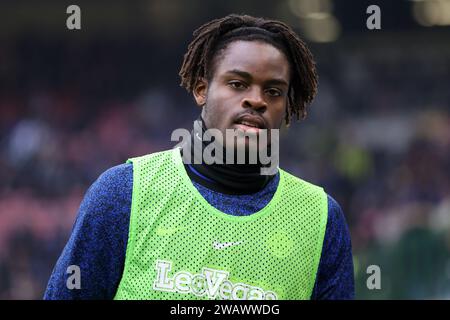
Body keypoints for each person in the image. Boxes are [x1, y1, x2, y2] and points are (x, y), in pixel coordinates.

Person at [44, 14, 354, 300]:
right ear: (201, 90)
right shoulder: (122, 193)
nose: (256, 100)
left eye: (273, 91)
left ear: (287, 106)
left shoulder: (322, 219)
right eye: (238, 84)